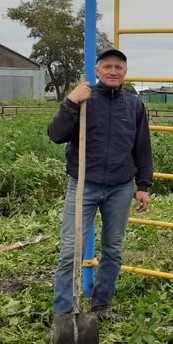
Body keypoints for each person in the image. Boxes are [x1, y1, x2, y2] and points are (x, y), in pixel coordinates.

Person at [48, 47, 153, 321]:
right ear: (97, 71)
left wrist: (143, 185)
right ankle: (64, 314)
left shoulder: (134, 105)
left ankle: (102, 306)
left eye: (118, 67)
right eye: (107, 66)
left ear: (125, 72)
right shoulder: (84, 100)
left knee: (113, 250)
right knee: (71, 251)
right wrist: (70, 101)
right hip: (84, 185)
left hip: (121, 187)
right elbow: (56, 135)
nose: (113, 71)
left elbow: (142, 148)